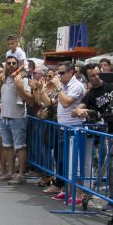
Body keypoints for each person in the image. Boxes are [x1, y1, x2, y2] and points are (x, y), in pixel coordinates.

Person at [43, 63, 85, 199]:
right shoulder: (63, 86)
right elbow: (49, 102)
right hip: (62, 128)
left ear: (71, 72)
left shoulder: (76, 85)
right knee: (63, 161)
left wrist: (58, 86)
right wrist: (40, 90)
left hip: (74, 129)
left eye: (61, 73)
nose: (58, 76)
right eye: (58, 73)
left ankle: (77, 194)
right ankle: (66, 189)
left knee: (74, 164)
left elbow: (67, 102)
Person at [0, 54, 32, 184]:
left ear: (17, 65)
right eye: (8, 63)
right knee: (7, 147)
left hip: (18, 118)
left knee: (20, 147)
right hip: (4, 117)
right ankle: (10, 173)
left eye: (13, 63)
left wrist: (20, 86)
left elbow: (29, 99)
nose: (11, 65)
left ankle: (21, 175)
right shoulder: (4, 79)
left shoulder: (23, 79)